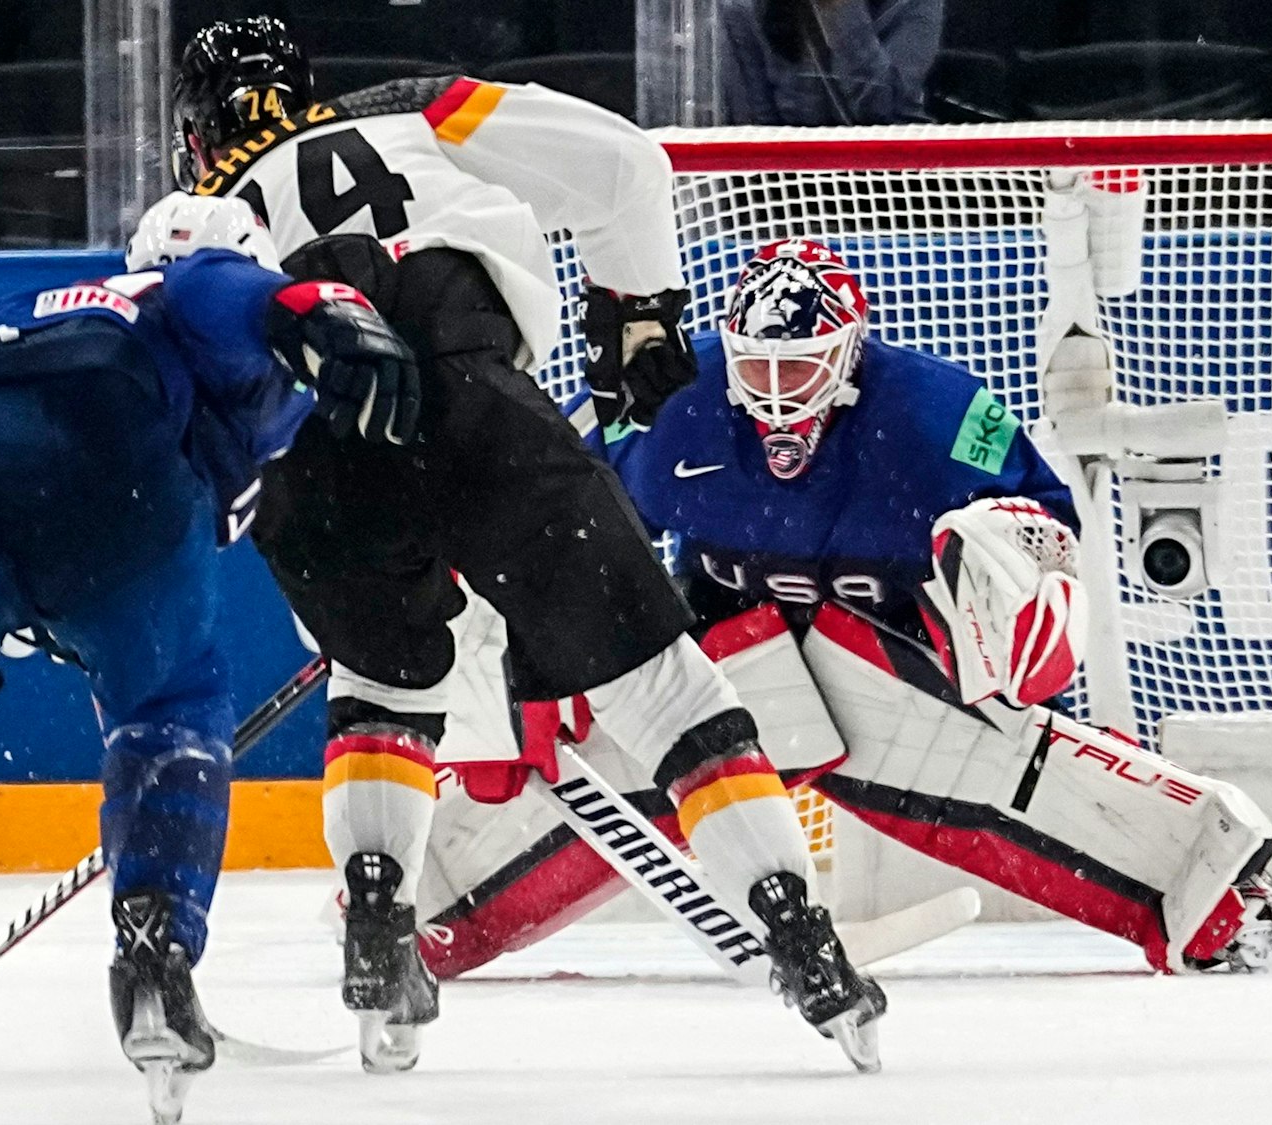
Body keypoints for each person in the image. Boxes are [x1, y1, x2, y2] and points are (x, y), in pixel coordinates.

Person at [160, 16, 885, 1072]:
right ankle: (803, 944)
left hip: (301, 461)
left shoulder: (183, 224)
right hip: (470, 399)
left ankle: (378, 930)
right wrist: (634, 313)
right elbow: (627, 165)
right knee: (667, 694)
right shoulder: (415, 109)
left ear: (191, 132)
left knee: (382, 685)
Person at [412, 239, 1272, 979]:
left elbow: (1047, 525)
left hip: (887, 649)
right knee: (603, 737)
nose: (776, 398)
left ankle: (1219, 888)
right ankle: (417, 898)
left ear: (849, 358)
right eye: (758, 371)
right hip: (718, 649)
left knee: (990, 765)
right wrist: (528, 661)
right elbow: (541, 510)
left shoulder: (933, 413)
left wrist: (1004, 597)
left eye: (800, 370)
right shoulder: (675, 402)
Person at [0, 194, 417, 1124]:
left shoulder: (58, 292)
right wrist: (315, 313)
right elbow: (224, 294)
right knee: (173, 708)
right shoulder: (197, 295)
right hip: (105, 446)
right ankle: (154, 949)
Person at [719, 0, 945, 126]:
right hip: (795, 190)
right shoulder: (744, 10)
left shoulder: (912, 6)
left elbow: (883, 111)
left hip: (892, 185)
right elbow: (757, 136)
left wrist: (842, 11)